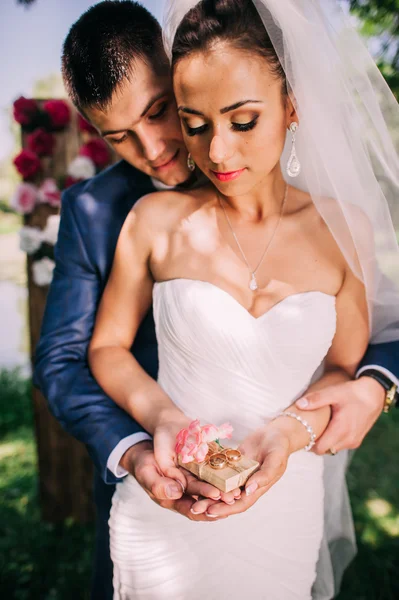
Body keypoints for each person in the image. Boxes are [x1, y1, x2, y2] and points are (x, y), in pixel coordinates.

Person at [33, 1, 399, 598]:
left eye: (161, 114)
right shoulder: (130, 215)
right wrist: (148, 436)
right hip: (160, 487)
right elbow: (74, 357)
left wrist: (311, 421)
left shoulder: (340, 226)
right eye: (120, 136)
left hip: (283, 502)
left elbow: (349, 359)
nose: (159, 148)